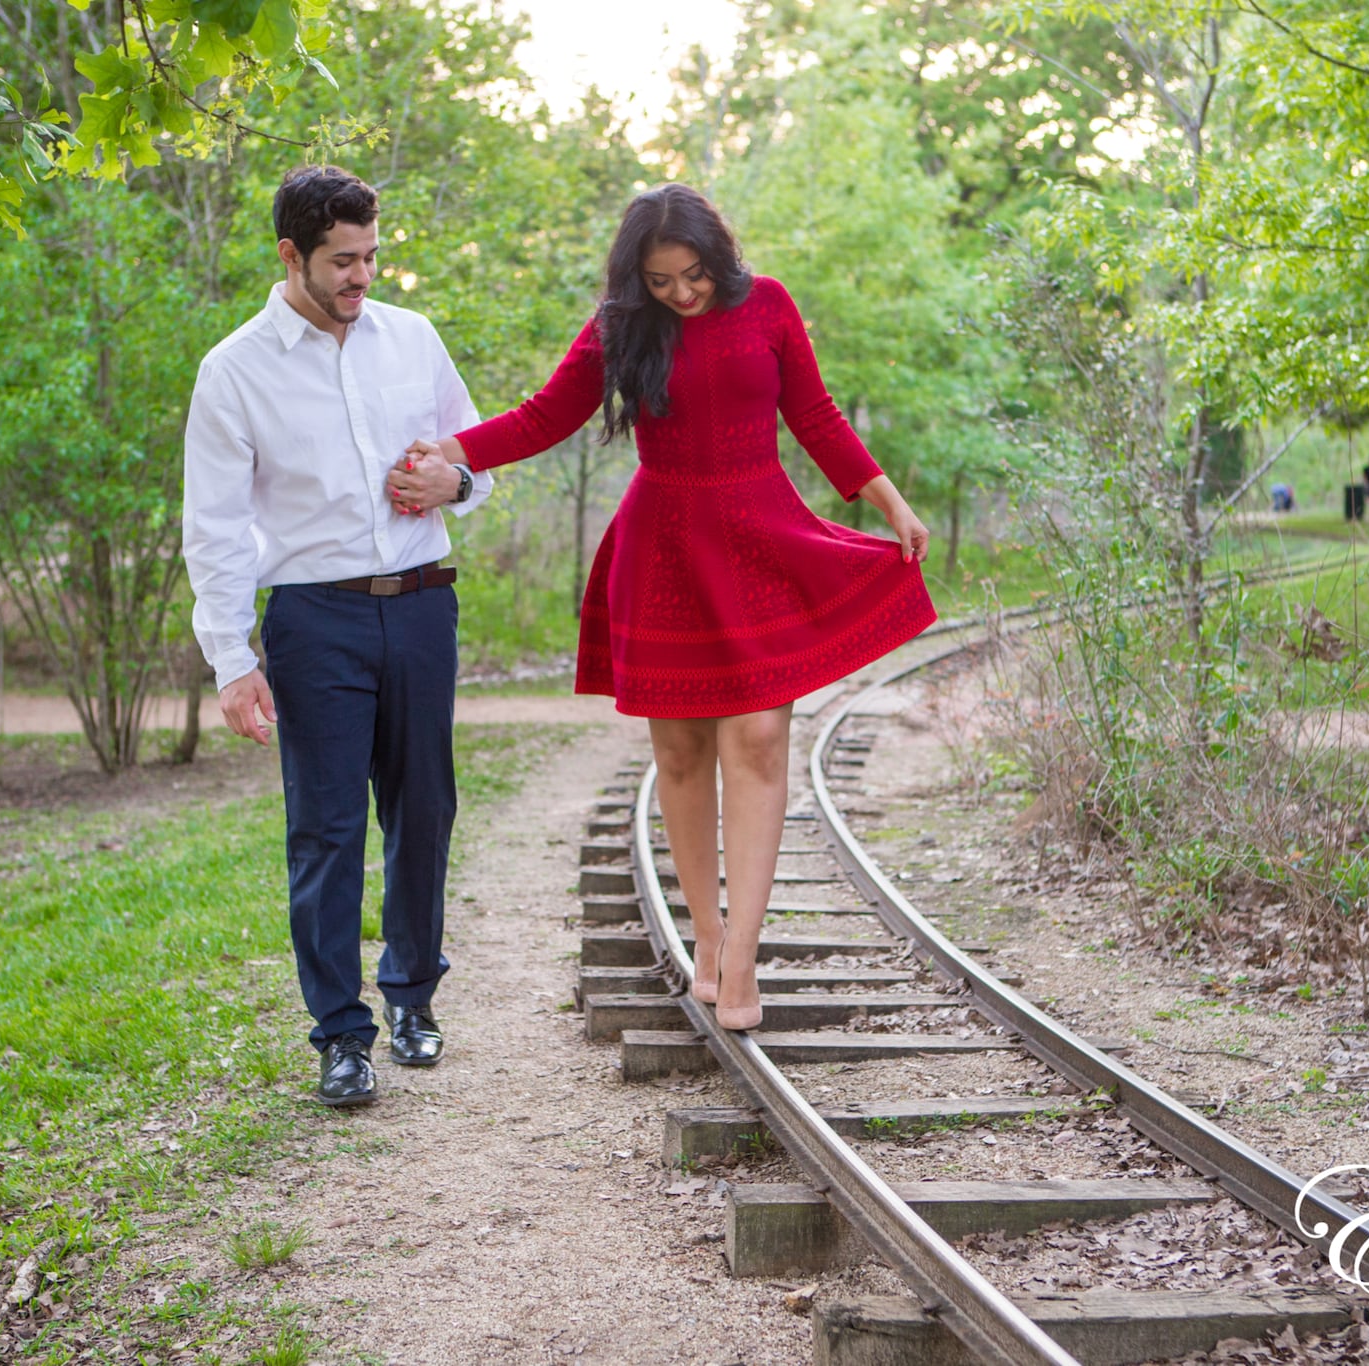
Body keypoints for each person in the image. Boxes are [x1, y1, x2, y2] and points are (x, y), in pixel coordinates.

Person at [387, 184, 935, 1031]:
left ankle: (744, 957)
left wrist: (888, 500)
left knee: (756, 737)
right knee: (680, 757)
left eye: (693, 277)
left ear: (719, 257)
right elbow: (545, 416)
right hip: (666, 549)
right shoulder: (621, 325)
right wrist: (455, 449)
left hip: (761, 537)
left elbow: (816, 413)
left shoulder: (771, 307)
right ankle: (706, 937)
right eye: (661, 280)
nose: (681, 294)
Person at [182, 165, 495, 1108]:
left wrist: (460, 484)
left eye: (369, 256)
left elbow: (479, 451)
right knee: (323, 830)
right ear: (291, 256)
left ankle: (411, 999)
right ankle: (340, 1035)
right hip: (314, 618)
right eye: (341, 261)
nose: (361, 277)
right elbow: (216, 525)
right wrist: (233, 661)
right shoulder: (234, 368)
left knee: (424, 810)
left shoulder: (412, 338)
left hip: (422, 603)